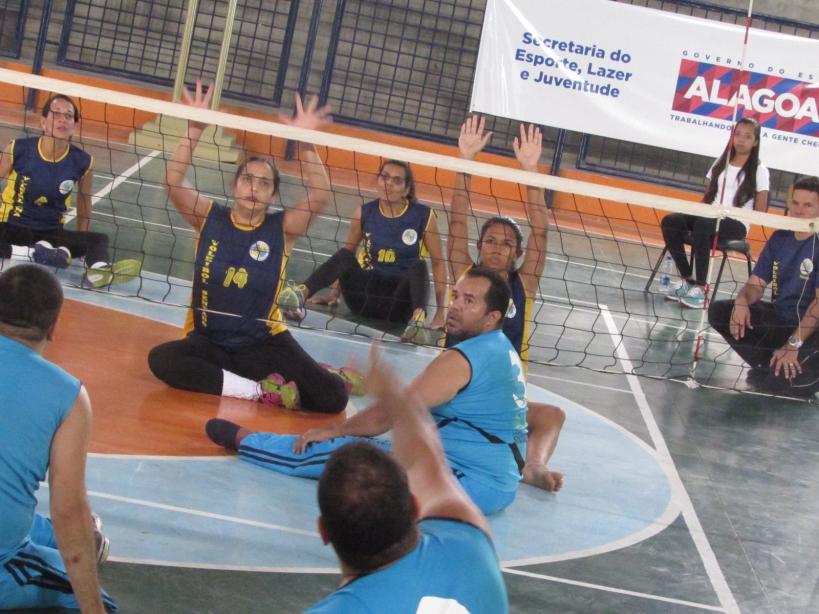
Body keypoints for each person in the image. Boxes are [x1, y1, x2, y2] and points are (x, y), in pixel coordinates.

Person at [207, 267, 527, 515]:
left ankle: (248, 442)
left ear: (492, 317)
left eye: (468, 301)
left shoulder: (464, 359)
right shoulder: (501, 349)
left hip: (466, 482)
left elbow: (389, 415)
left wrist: (332, 431)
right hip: (493, 482)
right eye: (455, 295)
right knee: (373, 448)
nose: (455, 306)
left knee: (350, 455)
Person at [147, 81, 350, 413]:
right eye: (248, 179)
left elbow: (321, 196)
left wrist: (306, 143)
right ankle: (256, 390)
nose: (254, 188)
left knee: (333, 397)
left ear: (273, 195)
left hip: (263, 342)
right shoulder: (208, 217)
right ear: (234, 184)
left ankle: (264, 379)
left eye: (264, 183)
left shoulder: (281, 229)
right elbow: (172, 181)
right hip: (208, 340)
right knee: (162, 360)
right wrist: (195, 128)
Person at [306, 342, 508, 613]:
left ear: (324, 531)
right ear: (415, 506)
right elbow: (427, 455)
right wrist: (394, 393)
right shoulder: (467, 540)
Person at [450, 115, 565, 491]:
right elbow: (457, 218)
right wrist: (465, 161)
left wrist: (531, 170)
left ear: (518, 253)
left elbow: (542, 231)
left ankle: (533, 466)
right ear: (479, 247)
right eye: (491, 241)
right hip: (458, 390)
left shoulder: (523, 283)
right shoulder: (463, 272)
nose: (498, 248)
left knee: (552, 415)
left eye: (506, 243)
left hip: (502, 397)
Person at [0, 264, 115, 612]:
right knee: (100, 602)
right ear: (53, 327)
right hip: (4, 559)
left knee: (73, 536)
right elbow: (67, 510)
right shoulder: (68, 394)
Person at [277, 159, 447, 343]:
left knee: (419, 265)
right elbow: (347, 255)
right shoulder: (364, 213)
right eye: (385, 177)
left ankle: (417, 320)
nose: (389, 183)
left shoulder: (423, 216)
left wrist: (440, 313)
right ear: (378, 181)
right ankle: (299, 294)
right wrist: (334, 294)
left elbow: (438, 263)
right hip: (365, 299)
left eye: (397, 181)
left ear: (406, 190)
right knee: (344, 254)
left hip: (399, 304)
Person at [0, 94, 141, 288]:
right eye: (56, 113)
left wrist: (82, 244)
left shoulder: (82, 162)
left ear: (74, 125)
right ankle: (32, 253)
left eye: (68, 116)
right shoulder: (18, 149)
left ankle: (98, 270)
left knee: (98, 240)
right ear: (43, 121)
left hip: (50, 234)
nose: (62, 119)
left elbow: (84, 205)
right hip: (11, 227)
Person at [708, 176, 819, 397]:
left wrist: (793, 345)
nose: (799, 210)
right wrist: (742, 301)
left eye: (808, 205)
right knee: (720, 311)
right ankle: (768, 364)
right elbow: (756, 285)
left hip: (812, 332)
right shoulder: (780, 238)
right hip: (780, 321)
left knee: (782, 387)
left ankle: (791, 367)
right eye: (795, 203)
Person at [660, 117, 769, 309]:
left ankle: (702, 289)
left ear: (756, 142)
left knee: (703, 223)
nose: (741, 140)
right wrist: (696, 213)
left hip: (735, 223)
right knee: (671, 221)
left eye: (747, 136)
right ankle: (688, 280)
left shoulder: (760, 170)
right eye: (738, 134)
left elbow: (761, 211)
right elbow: (707, 195)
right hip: (709, 215)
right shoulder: (721, 161)